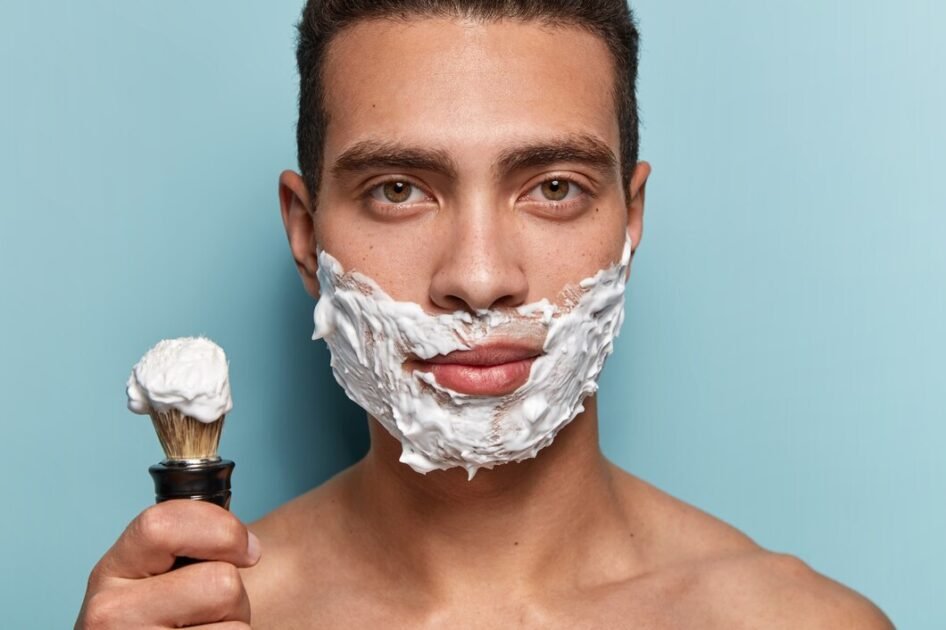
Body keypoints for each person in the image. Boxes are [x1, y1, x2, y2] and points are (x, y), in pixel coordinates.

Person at [76, 1, 894, 627]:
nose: (478, 277)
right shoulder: (197, 617)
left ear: (630, 221)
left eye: (553, 188)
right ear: (306, 234)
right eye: (398, 190)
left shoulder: (796, 622)